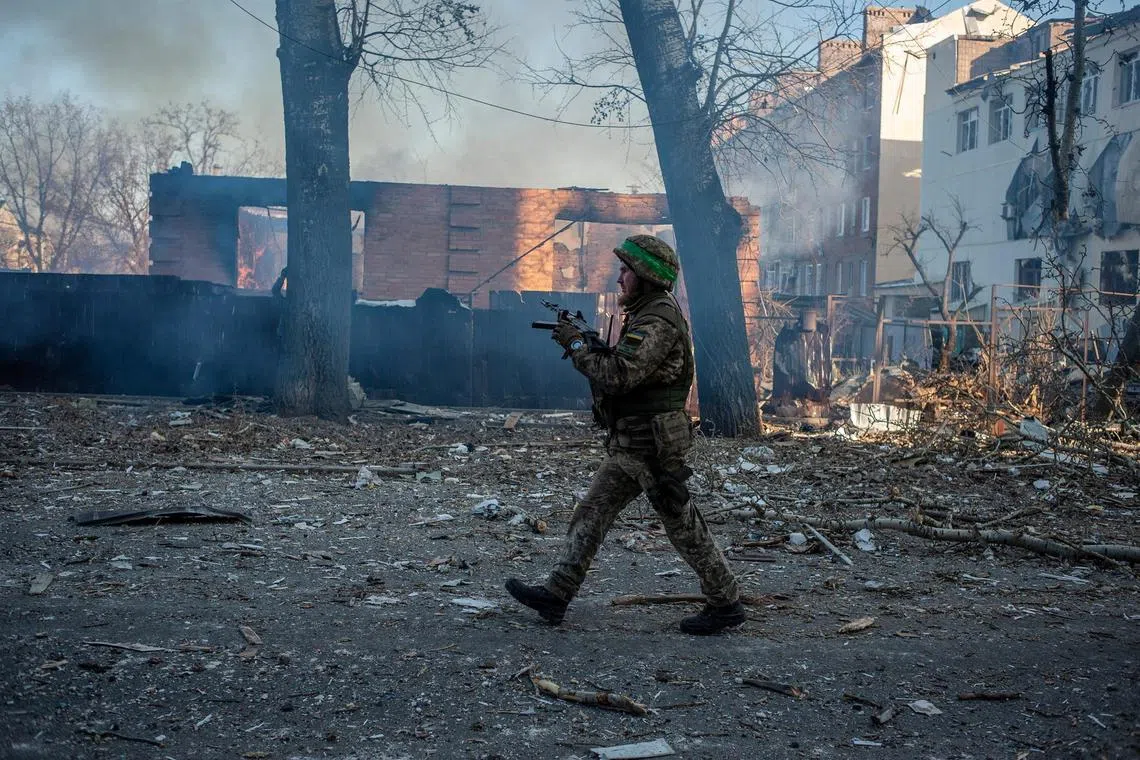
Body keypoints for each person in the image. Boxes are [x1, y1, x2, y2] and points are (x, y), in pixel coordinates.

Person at [505, 234, 745, 635]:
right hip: (631, 442)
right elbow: (626, 366)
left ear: (645, 276)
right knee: (592, 513)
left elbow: (619, 376)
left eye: (625, 270)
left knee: (681, 523)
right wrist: (592, 345)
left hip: (651, 445)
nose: (619, 279)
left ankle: (726, 602)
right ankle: (557, 595)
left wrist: (579, 345)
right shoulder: (646, 313)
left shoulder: (657, 320)